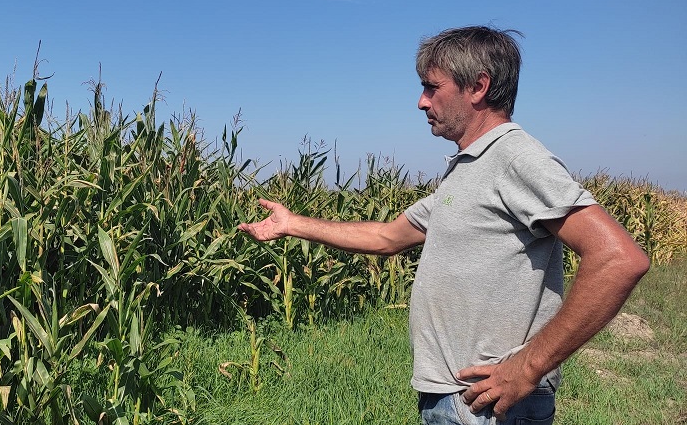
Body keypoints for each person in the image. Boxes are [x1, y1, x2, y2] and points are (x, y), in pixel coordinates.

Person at [237, 26, 650, 425]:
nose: (421, 101)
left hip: (488, 403)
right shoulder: (471, 168)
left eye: (432, 87)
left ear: (478, 87)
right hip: (455, 399)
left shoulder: (515, 159)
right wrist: (292, 224)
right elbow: (387, 237)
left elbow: (618, 258)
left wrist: (527, 367)